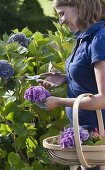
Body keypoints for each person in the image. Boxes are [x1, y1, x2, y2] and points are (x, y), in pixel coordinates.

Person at [38, 0, 105, 169]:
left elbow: (103, 99)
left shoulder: (98, 40)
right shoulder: (83, 39)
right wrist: (63, 78)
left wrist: (59, 101)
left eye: (62, 13)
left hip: (99, 139)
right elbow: (87, 76)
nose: (60, 20)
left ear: (80, 8)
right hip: (85, 136)